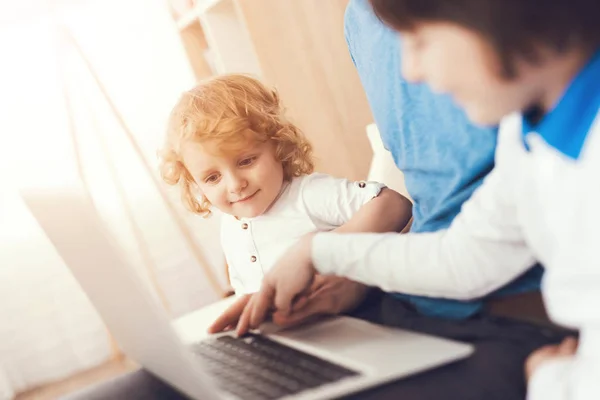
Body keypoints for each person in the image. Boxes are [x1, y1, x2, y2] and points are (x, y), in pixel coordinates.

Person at [239, 0, 600, 399]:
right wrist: (317, 251)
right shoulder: (528, 132)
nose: (409, 70)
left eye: (421, 39)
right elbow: (465, 258)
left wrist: (550, 382)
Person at [159, 73, 412, 297]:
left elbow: (394, 204)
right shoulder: (230, 224)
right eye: (212, 178)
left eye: (246, 161)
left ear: (278, 145)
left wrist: (319, 250)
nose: (235, 185)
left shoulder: (307, 195)